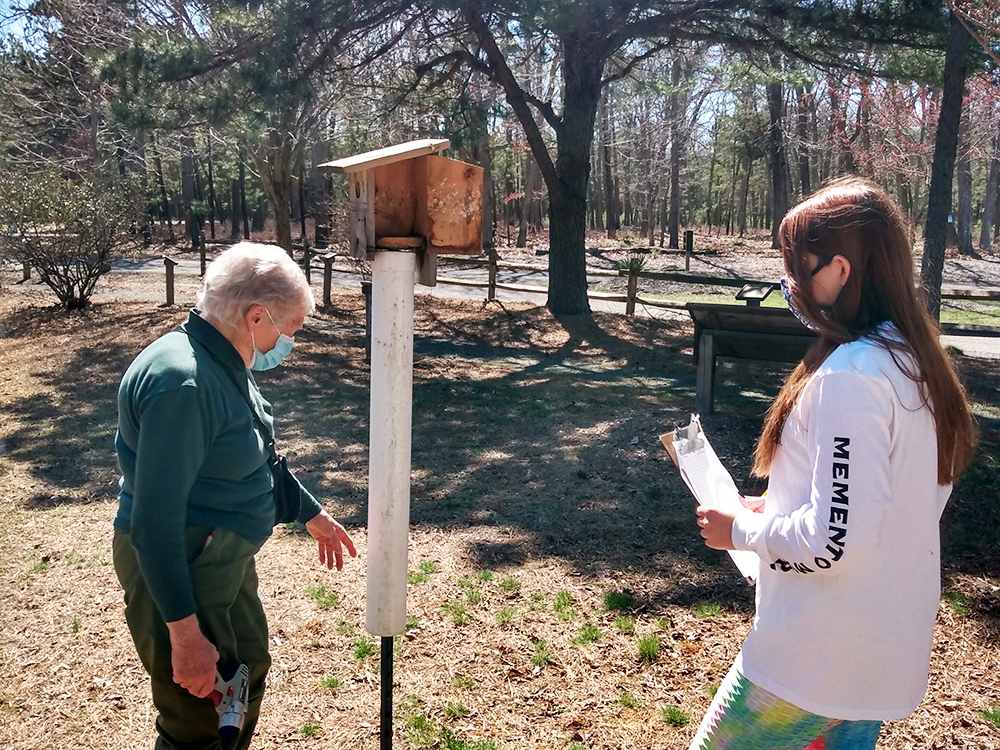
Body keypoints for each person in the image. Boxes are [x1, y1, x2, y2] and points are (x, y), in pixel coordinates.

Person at [690, 178, 977, 750]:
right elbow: (886, 500)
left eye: (799, 268)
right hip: (872, 655)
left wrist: (741, 531)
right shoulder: (915, 361)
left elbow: (833, 542)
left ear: (841, 271)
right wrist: (778, 506)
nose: (790, 285)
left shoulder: (853, 376)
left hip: (811, 661)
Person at [113, 242, 357, 750]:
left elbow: (254, 454)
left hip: (220, 559)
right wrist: (184, 636)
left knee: (242, 676)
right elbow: (154, 526)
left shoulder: (219, 360)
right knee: (200, 716)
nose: (289, 341)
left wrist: (309, 513)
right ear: (255, 316)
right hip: (185, 564)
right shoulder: (183, 383)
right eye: (289, 329)